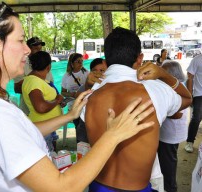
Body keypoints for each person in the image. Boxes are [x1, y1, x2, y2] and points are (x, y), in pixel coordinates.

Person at [0, 3, 155, 191]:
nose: (27, 50)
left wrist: (69, 115)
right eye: (20, 40)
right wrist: (113, 135)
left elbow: (23, 132)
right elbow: (62, 188)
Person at [82, 27, 192, 192]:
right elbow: (187, 98)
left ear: (105, 62)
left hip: (97, 184)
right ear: (140, 58)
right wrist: (164, 74)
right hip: (136, 187)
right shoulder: (155, 90)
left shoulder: (90, 94)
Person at [22, 51, 64, 152]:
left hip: (48, 128)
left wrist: (57, 102)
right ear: (49, 67)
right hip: (43, 130)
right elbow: (41, 107)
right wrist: (57, 100)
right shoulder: (33, 81)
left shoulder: (38, 80)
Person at [158, 60, 188, 192]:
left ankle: (170, 188)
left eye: (163, 72)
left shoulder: (178, 89)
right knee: (166, 161)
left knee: (168, 164)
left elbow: (177, 115)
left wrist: (160, 112)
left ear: (172, 75)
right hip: (167, 134)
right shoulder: (173, 87)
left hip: (171, 135)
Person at [13, 36, 53, 115]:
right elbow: (17, 88)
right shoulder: (21, 64)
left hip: (48, 111)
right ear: (28, 48)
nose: (39, 49)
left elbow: (51, 84)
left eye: (40, 47)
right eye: (35, 47)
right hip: (29, 112)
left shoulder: (45, 64)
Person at [76, 58, 107, 143]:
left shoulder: (110, 85)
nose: (98, 73)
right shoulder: (86, 86)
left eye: (102, 70)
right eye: (94, 70)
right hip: (86, 130)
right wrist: (88, 85)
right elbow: (81, 100)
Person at [61, 53, 89, 129]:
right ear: (72, 64)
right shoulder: (66, 76)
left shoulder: (86, 73)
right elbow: (62, 92)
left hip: (86, 105)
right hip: (73, 106)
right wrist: (72, 94)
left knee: (86, 127)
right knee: (79, 127)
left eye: (82, 61)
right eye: (78, 61)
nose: (81, 63)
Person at [185, 53, 202, 153]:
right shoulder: (197, 59)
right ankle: (190, 142)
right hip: (199, 93)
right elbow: (190, 77)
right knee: (196, 118)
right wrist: (189, 94)